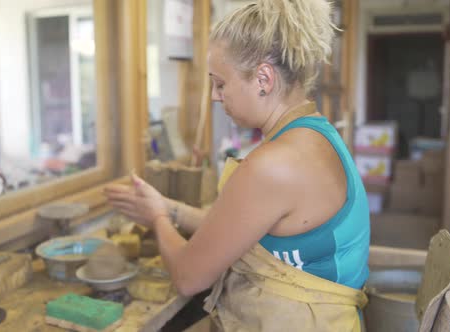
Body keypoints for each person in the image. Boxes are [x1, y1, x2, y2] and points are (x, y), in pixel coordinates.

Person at [105, 0, 370, 330]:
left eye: (220, 84)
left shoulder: (275, 165)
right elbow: (240, 229)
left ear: (263, 78)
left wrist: (156, 219)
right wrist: (169, 208)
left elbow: (188, 277)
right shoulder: (316, 133)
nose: (215, 97)